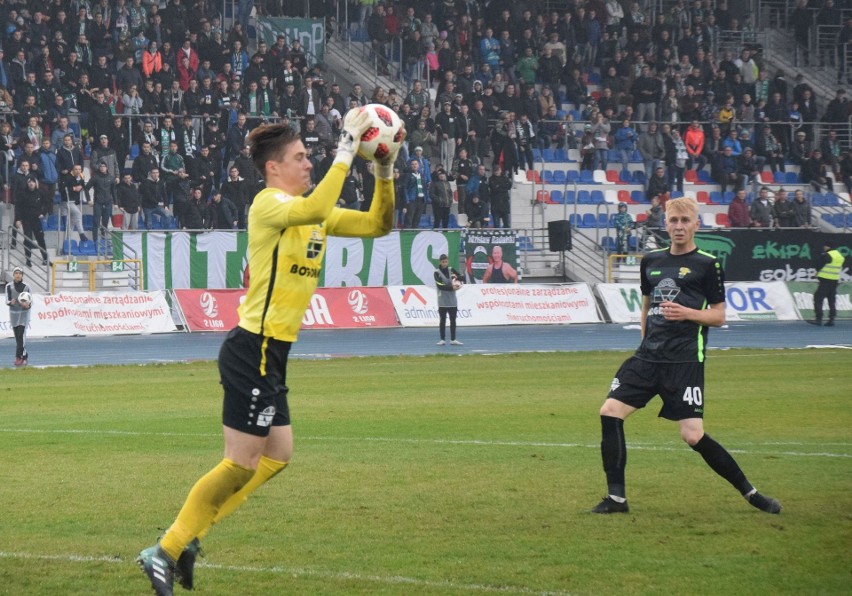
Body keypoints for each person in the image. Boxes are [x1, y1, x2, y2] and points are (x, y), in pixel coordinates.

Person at [137, 108, 400, 594]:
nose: (308, 164)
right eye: (301, 158)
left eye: (310, 158)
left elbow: (379, 226)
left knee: (277, 456)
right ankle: (167, 548)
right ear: (273, 168)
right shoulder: (268, 204)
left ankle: (189, 537)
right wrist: (345, 149)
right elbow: (316, 207)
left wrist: (384, 171)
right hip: (252, 348)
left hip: (272, 353)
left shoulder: (313, 215)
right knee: (240, 462)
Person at [592, 197, 782, 516]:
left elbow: (719, 316)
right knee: (610, 411)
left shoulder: (708, 264)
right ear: (665, 223)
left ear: (696, 224)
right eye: (673, 220)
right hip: (647, 359)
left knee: (692, 435)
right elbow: (645, 307)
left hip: (684, 362)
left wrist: (689, 313)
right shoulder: (650, 260)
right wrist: (645, 342)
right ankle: (616, 499)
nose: (678, 226)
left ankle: (751, 494)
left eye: (685, 220)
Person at [807, 240, 844, 326]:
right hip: (834, 280)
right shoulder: (840, 256)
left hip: (825, 281)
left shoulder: (828, 255)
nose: (824, 247)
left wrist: (816, 272)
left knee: (818, 299)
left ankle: (818, 319)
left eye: (825, 246)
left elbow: (819, 264)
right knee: (831, 300)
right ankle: (831, 320)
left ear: (828, 247)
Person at [4, 266, 31, 366]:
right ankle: (25, 355)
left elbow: (30, 300)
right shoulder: (8, 286)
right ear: (13, 275)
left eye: (19, 273)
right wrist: (10, 302)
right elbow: (6, 300)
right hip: (14, 315)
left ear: (22, 275)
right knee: (17, 338)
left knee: (21, 336)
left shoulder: (27, 286)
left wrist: (27, 305)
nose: (18, 275)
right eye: (16, 273)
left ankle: (18, 358)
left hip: (24, 314)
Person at [434, 253, 463, 346]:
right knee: (442, 321)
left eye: (446, 261)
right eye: (443, 262)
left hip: (452, 301)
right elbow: (440, 285)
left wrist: (458, 280)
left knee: (453, 320)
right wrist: (452, 287)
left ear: (448, 261)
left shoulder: (451, 270)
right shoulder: (437, 273)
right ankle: (442, 339)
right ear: (440, 262)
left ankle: (453, 339)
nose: (444, 263)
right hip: (442, 301)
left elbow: (462, 277)